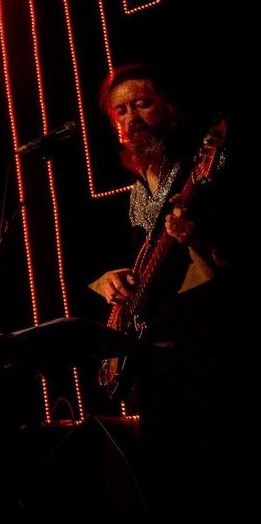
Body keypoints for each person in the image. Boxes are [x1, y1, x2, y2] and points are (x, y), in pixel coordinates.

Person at [86, 62, 240, 518]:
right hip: (153, 361)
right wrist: (108, 281)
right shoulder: (136, 190)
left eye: (141, 104)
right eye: (120, 111)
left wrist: (197, 238)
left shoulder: (198, 170)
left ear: (169, 109)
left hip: (206, 351)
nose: (130, 117)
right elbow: (113, 268)